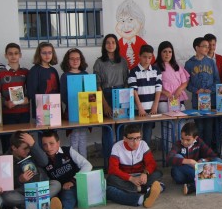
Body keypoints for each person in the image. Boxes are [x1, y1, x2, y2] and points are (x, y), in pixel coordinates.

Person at [30, 130, 92, 209]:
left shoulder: (68, 151)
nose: (48, 148)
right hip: (56, 189)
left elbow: (87, 165)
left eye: (51, 143)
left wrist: (73, 181)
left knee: (68, 195)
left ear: (58, 143)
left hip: (72, 185)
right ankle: (57, 205)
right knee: (56, 197)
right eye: (45, 145)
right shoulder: (42, 160)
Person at [0, 131, 62, 209]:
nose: (27, 151)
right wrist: (20, 180)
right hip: (23, 190)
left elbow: (44, 162)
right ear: (14, 148)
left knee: (56, 184)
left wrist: (33, 144)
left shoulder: (32, 150)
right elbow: (7, 184)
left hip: (40, 186)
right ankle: (43, 202)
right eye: (24, 148)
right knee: (6, 197)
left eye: (29, 147)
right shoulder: (5, 160)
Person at [93, 34, 129, 170]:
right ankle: (109, 164)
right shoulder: (99, 62)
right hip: (106, 95)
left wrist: (125, 100)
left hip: (120, 94)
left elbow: (126, 81)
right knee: (107, 130)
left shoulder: (123, 61)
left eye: (113, 42)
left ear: (117, 45)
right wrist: (105, 104)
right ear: (104, 45)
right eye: (108, 42)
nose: (110, 45)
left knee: (120, 129)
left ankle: (122, 162)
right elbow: (97, 85)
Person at [106, 124, 163, 208]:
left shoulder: (143, 144)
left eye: (138, 138)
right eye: (131, 139)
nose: (135, 142)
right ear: (125, 138)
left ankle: (137, 191)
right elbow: (113, 169)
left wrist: (145, 173)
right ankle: (145, 192)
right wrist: (130, 178)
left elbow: (151, 163)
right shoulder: (117, 147)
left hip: (141, 176)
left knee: (158, 173)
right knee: (110, 180)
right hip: (125, 178)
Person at [167, 122, 222, 195]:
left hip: (198, 171)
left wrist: (203, 160)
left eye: (188, 140)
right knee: (178, 157)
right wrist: (190, 162)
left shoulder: (199, 142)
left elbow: (213, 155)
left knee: (218, 161)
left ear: (195, 138)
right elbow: (169, 158)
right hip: (183, 174)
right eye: (182, 138)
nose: (184, 142)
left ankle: (195, 184)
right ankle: (210, 180)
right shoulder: (178, 144)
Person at [185, 37, 220, 146]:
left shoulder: (211, 62)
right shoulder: (189, 63)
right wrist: (196, 90)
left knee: (209, 128)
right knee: (199, 128)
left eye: (208, 46)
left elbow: (217, 79)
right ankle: (199, 150)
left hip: (210, 100)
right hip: (196, 101)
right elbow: (187, 84)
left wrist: (211, 90)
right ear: (197, 47)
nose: (207, 48)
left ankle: (208, 151)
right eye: (204, 46)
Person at [0, 43, 30, 151]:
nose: (13, 56)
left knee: (24, 143)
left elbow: (31, 92)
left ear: (20, 55)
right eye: (10, 54)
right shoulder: (0, 74)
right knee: (8, 143)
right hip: (7, 114)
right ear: (6, 56)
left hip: (24, 113)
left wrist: (27, 99)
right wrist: (5, 103)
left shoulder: (26, 72)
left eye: (16, 53)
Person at [127, 44, 162, 148]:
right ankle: (136, 157)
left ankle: (146, 157)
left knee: (147, 135)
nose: (147, 60)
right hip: (139, 110)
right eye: (144, 57)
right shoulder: (133, 71)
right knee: (136, 135)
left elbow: (158, 89)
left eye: (150, 57)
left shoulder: (156, 70)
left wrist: (155, 106)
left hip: (152, 109)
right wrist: (140, 108)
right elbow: (134, 91)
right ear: (139, 56)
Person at [59, 48, 90, 158]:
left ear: (81, 60)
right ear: (67, 61)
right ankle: (76, 163)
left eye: (78, 58)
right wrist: (74, 105)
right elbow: (63, 95)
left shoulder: (85, 74)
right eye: (72, 59)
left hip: (85, 110)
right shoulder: (65, 76)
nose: (75, 61)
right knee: (74, 137)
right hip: (72, 110)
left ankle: (84, 163)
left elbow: (90, 92)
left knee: (83, 137)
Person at [25, 41, 60, 119]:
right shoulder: (34, 70)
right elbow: (32, 92)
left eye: (50, 53)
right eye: (44, 53)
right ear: (39, 54)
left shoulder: (53, 70)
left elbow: (58, 90)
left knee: (54, 131)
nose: (47, 55)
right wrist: (44, 106)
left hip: (54, 108)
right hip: (41, 111)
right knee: (42, 131)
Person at [155, 41, 190, 113]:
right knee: (167, 123)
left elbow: (185, 82)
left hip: (178, 99)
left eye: (170, 52)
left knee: (180, 122)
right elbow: (153, 84)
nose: (167, 54)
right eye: (164, 51)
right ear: (160, 53)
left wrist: (179, 90)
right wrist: (165, 92)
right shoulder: (155, 67)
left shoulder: (177, 66)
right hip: (164, 100)